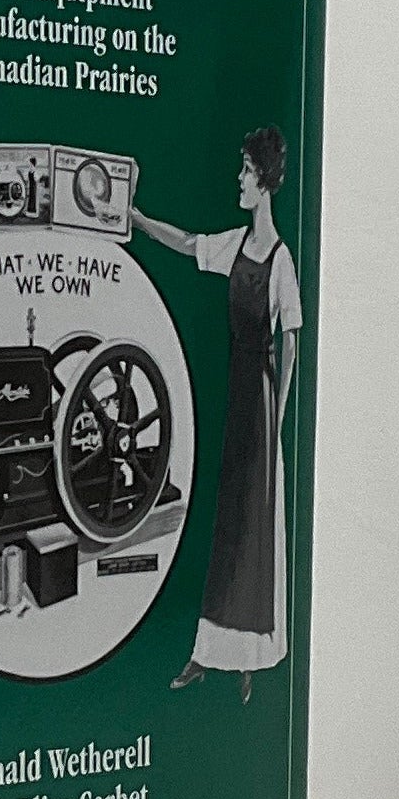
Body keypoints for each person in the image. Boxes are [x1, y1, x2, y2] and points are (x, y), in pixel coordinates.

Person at [136, 125, 303, 700]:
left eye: (246, 172)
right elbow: (187, 243)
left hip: (261, 402)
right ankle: (208, 652)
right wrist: (139, 220)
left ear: (265, 181)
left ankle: (251, 658)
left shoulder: (281, 260)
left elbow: (291, 342)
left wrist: (277, 418)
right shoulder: (234, 245)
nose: (238, 179)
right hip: (235, 395)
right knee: (228, 521)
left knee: (255, 526)